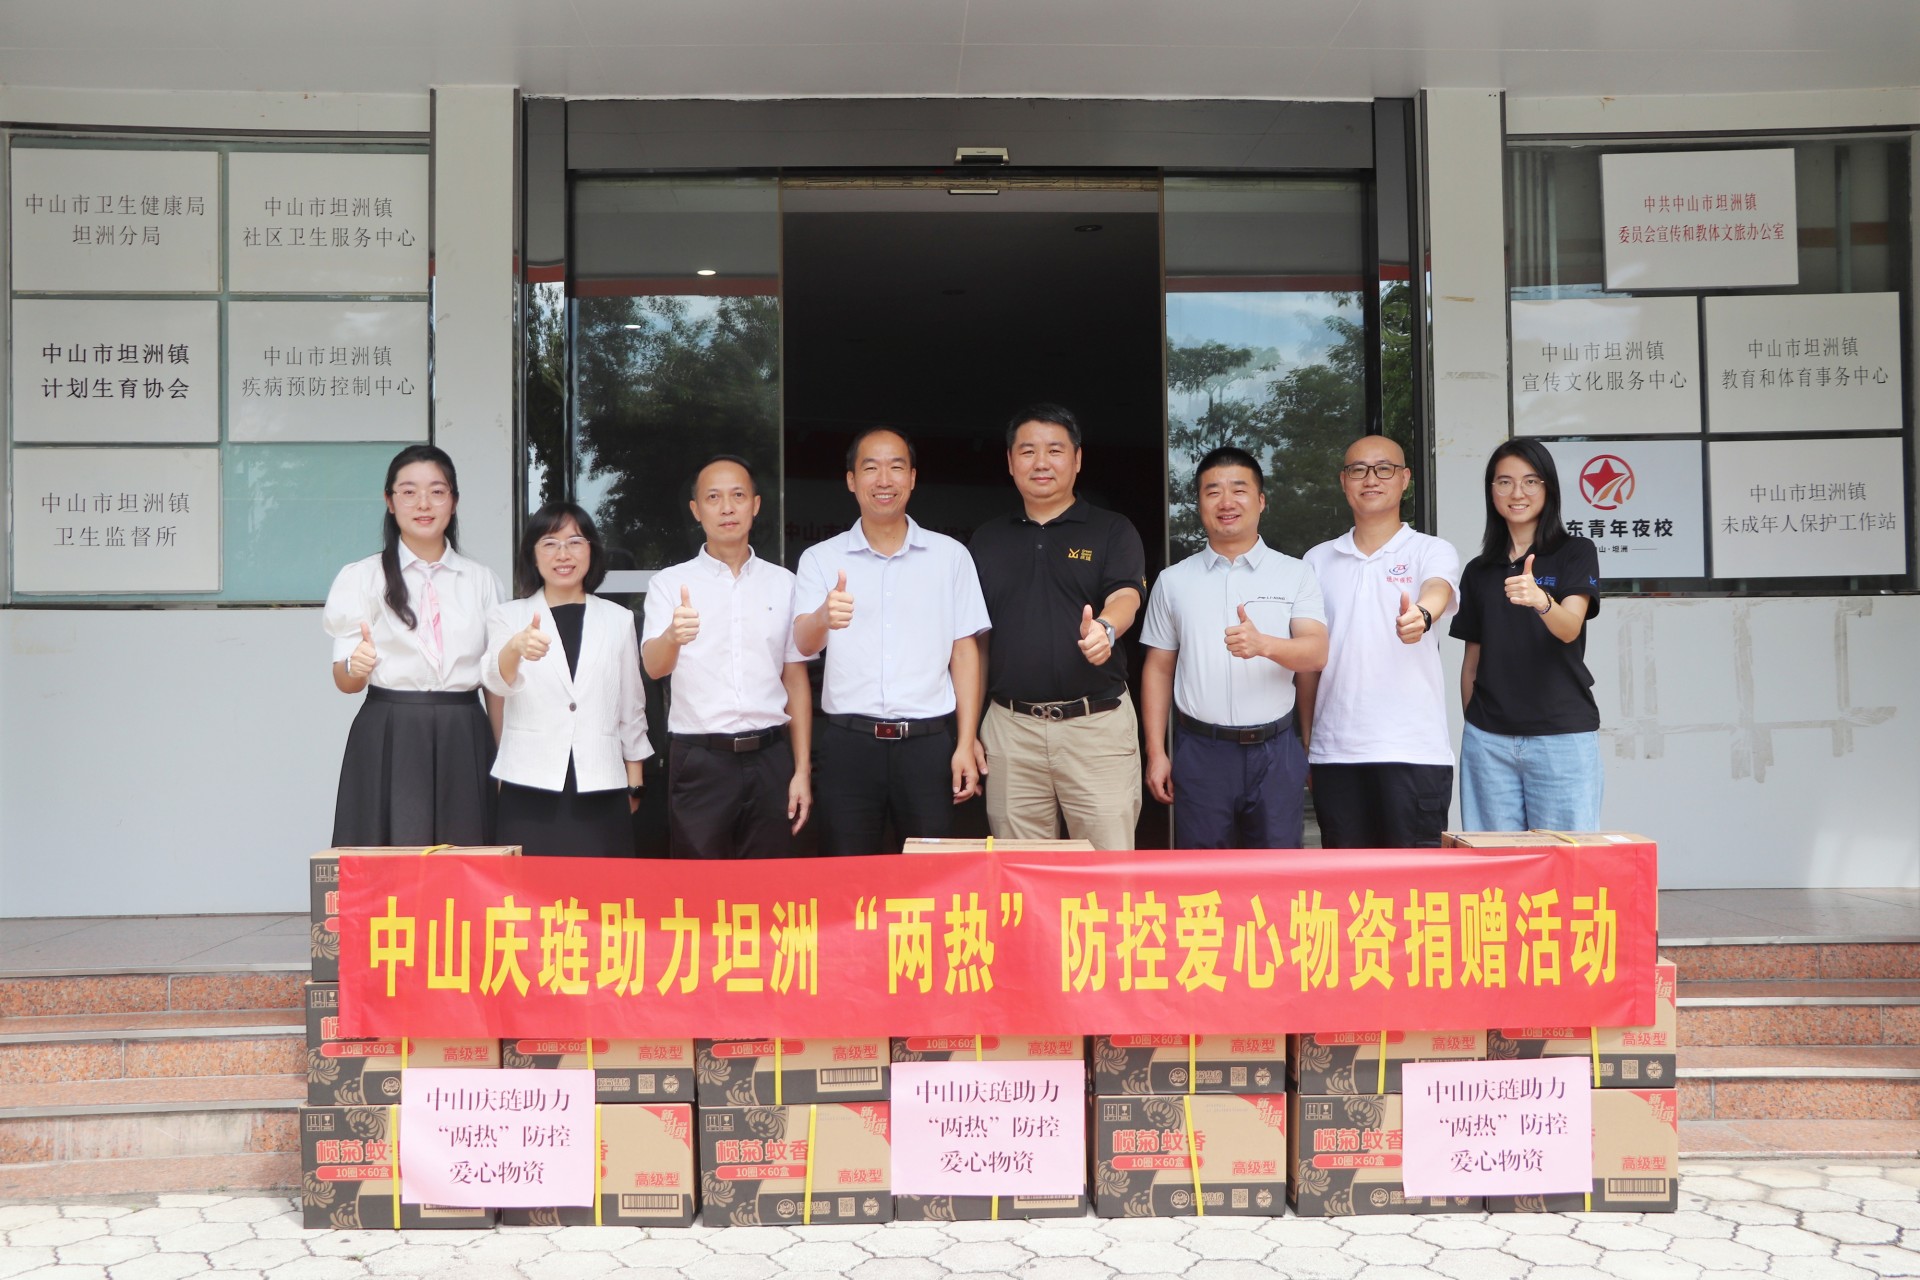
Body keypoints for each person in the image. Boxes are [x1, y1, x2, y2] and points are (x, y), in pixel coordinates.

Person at [793, 427, 989, 856]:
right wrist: (824, 616)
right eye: (870, 468)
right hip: (848, 746)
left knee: (930, 875)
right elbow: (803, 645)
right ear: (851, 480)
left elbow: (964, 653)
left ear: (913, 478)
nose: (884, 480)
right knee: (847, 874)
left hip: (927, 746)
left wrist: (964, 741)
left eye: (896, 467)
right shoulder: (821, 559)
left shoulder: (950, 557)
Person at [967, 403, 1148, 849]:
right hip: (1011, 730)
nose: (1041, 462)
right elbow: (974, 642)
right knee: (1020, 872)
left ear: (1077, 458)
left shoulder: (1112, 529)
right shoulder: (986, 540)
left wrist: (1106, 628)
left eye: (1055, 450)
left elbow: (1127, 595)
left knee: (1107, 872)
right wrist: (967, 732)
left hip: (1096, 727)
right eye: (1028, 451)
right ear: (1011, 461)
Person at [1139, 447, 1328, 848]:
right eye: (1213, 492)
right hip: (1201, 751)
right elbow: (1158, 668)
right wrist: (1156, 752)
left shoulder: (1295, 573)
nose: (1226, 502)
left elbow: (1315, 653)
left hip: (1276, 750)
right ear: (1199, 504)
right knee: (1203, 876)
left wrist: (1264, 644)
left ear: (1261, 501)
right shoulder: (1173, 581)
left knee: (1279, 874)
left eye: (1239, 490)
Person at [324, 444, 506, 846]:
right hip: (389, 730)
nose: (423, 503)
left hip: (464, 731)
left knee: (466, 855)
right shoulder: (362, 577)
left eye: (437, 491)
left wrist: (502, 757)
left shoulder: (482, 581)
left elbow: (495, 681)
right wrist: (356, 665)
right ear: (389, 502)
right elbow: (345, 681)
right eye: (408, 492)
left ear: (454, 501)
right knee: (389, 856)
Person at [641, 455, 812, 858]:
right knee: (699, 884)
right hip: (700, 760)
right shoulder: (669, 584)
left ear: (755, 505)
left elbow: (795, 680)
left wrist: (801, 770)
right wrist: (673, 636)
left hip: (770, 757)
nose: (727, 508)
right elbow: (653, 666)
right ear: (696, 510)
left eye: (738, 495)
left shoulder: (784, 584)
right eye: (713, 498)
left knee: (768, 882)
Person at [1296, 435, 1460, 848]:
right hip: (1335, 754)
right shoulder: (1316, 560)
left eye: (1384, 469)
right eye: (1358, 470)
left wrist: (1422, 615)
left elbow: (1437, 589)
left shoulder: (1431, 550)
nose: (1371, 479)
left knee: (1414, 882)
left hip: (1413, 752)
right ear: (1343, 481)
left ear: (1405, 479)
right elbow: (1309, 663)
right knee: (1346, 881)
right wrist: (1308, 742)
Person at [482, 502, 651, 857]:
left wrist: (634, 779)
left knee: (600, 888)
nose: (563, 554)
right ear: (533, 554)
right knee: (529, 889)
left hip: (601, 784)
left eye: (575, 542)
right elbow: (495, 680)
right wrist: (515, 648)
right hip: (527, 785)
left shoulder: (618, 619)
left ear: (592, 550)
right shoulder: (508, 616)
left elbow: (631, 706)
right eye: (549, 543)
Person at [1451, 438, 1603, 831]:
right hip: (1488, 742)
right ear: (1492, 491)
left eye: (1531, 481)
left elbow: (1569, 629)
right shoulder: (1479, 570)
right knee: (1494, 862)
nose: (1517, 493)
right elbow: (1472, 662)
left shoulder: (1575, 551)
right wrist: (1475, 726)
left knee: (1565, 858)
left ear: (1548, 488)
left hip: (1561, 736)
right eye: (1505, 482)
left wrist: (1541, 600)